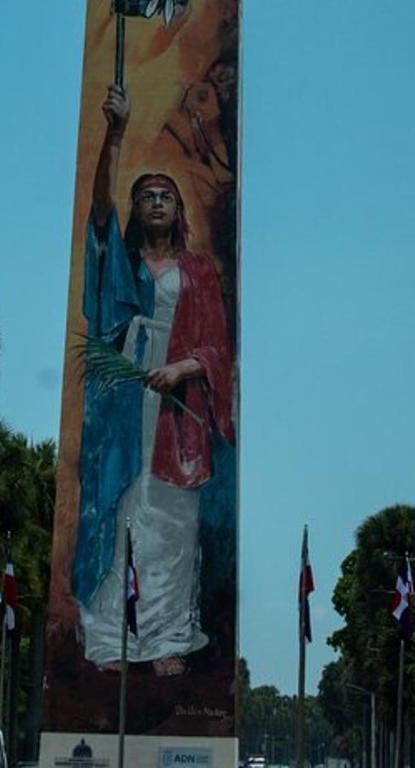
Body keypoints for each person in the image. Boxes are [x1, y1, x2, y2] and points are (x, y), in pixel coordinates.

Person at [71, 83, 234, 676]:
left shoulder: (197, 271)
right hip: (122, 410)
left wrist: (185, 369)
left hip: (174, 418)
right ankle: (110, 640)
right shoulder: (123, 264)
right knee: (116, 520)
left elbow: (216, 346)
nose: (157, 202)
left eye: (166, 195)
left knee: (169, 525)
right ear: (137, 212)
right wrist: (116, 131)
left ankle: (166, 638)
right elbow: (97, 215)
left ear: (179, 211)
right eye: (147, 196)